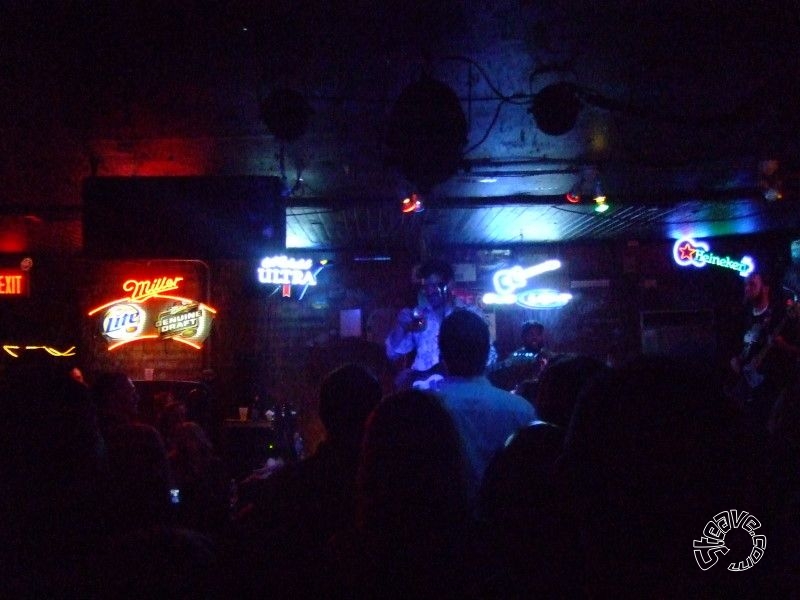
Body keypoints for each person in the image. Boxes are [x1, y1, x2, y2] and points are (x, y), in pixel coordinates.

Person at [433, 309, 538, 507]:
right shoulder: (522, 411)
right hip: (506, 529)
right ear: (486, 352)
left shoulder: (422, 411)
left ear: (442, 353)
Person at [386, 258, 496, 390]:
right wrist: (400, 326)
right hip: (424, 392)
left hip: (459, 390)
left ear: (449, 284)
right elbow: (392, 353)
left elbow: (490, 356)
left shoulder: (470, 314)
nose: (429, 291)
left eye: (434, 285)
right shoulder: (420, 315)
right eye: (425, 287)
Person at [729, 270, 800, 429]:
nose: (747, 288)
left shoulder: (779, 317)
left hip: (772, 389)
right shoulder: (745, 315)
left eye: (752, 284)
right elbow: (742, 348)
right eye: (746, 285)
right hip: (747, 387)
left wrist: (783, 346)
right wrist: (736, 359)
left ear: (766, 288)